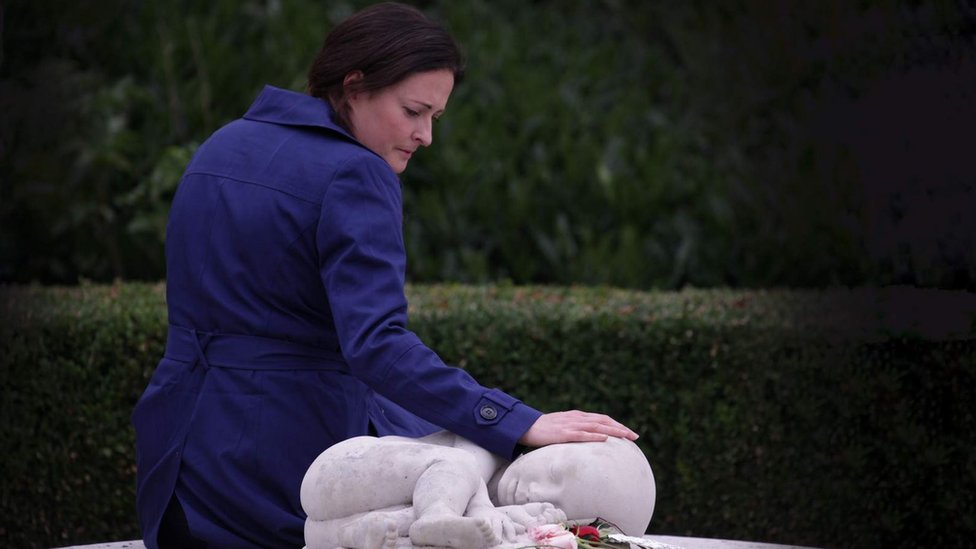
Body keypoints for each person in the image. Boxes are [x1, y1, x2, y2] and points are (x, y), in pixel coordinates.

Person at [131, 3, 638, 548]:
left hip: (178, 462)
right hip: (287, 467)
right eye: (413, 111)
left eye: (434, 119)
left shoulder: (220, 146)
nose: (425, 136)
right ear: (354, 85)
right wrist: (513, 420)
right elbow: (377, 347)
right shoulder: (356, 173)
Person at [299, 432, 655, 549]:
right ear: (551, 445)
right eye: (553, 471)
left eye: (554, 501)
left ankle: (363, 532)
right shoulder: (486, 447)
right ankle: (434, 515)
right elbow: (465, 479)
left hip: (328, 523)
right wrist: (490, 513)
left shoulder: (495, 515)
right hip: (341, 468)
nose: (534, 491)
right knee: (460, 469)